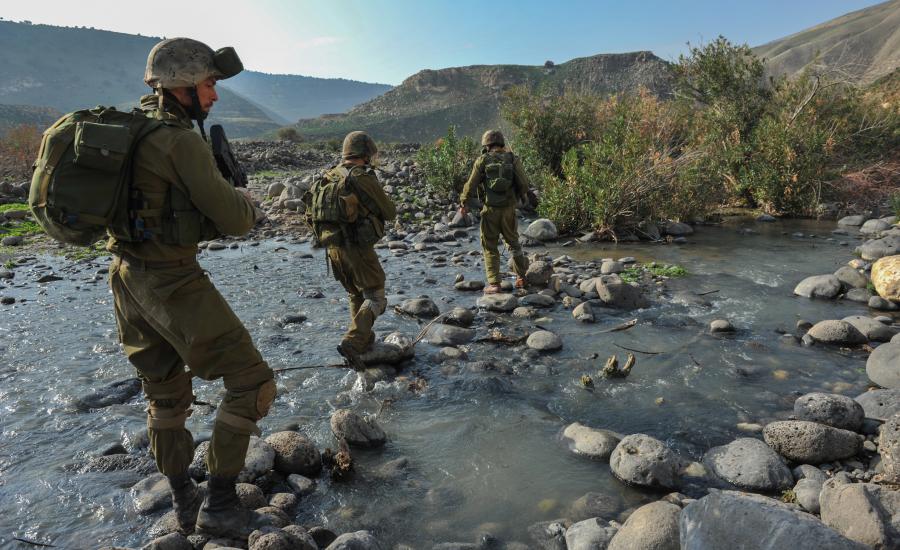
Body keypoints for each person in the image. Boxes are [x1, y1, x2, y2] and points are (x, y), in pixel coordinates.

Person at [107, 37, 275, 539]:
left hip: (125, 276)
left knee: (164, 392)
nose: (215, 95)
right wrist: (247, 203)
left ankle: (183, 499)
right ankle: (220, 503)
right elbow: (233, 219)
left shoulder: (131, 132)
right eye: (209, 84)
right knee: (251, 382)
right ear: (182, 86)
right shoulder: (179, 140)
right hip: (171, 279)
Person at [325, 131, 397, 367]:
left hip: (332, 250)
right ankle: (353, 342)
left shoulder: (329, 176)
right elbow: (389, 212)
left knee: (356, 293)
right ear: (365, 154)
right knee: (376, 296)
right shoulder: (361, 177)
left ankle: (364, 342)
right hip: (356, 247)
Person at [458, 130, 530, 293]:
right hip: (509, 210)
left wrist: (464, 203)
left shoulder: (482, 160)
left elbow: (470, 185)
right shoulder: (513, 158)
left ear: (486, 145)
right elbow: (524, 183)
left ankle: (494, 284)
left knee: (490, 245)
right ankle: (521, 278)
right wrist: (518, 198)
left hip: (490, 210)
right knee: (514, 243)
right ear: (502, 143)